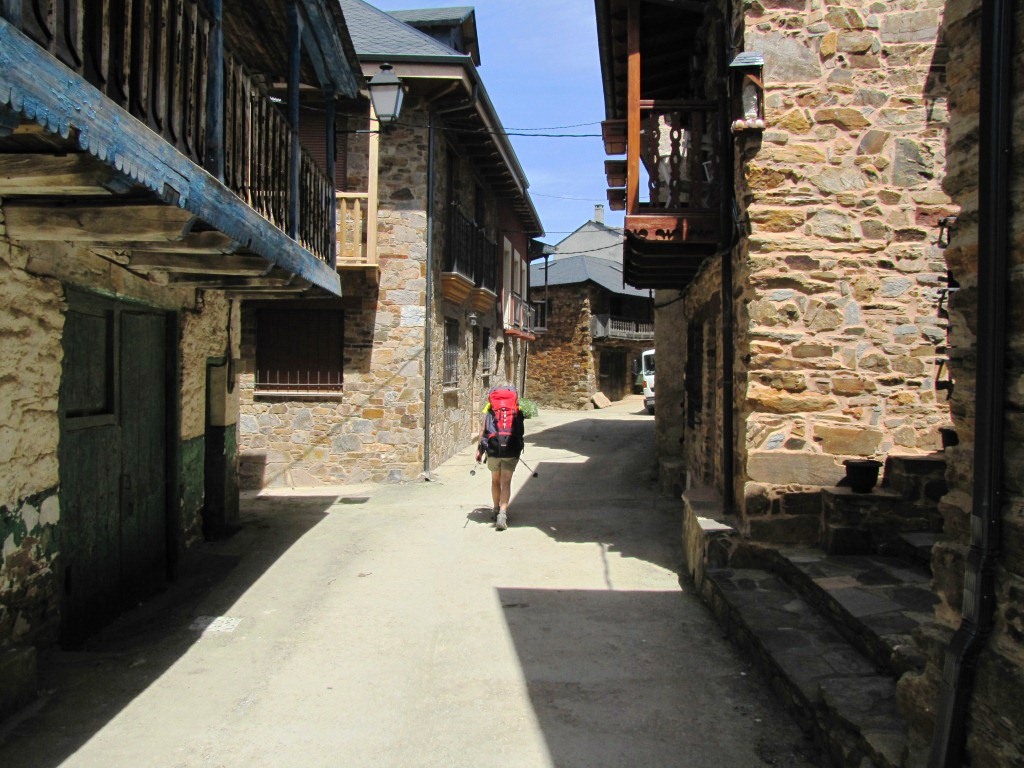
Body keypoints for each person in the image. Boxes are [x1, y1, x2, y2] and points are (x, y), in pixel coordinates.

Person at [475, 386, 524, 531]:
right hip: (511, 448)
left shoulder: (490, 409)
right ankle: (502, 514)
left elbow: (483, 430)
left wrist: (479, 450)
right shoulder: (516, 409)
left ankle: (496, 509)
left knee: (495, 480)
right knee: (506, 482)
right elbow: (520, 431)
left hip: (494, 448)